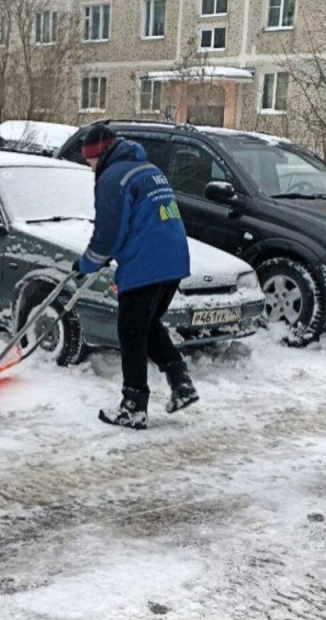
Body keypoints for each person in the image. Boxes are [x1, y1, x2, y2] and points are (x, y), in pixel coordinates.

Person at [72, 125, 198, 430]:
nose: (89, 167)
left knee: (131, 334)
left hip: (146, 263)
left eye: (89, 160)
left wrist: (87, 263)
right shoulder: (148, 168)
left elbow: (109, 232)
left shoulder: (113, 178)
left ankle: (133, 407)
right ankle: (181, 384)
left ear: (98, 154)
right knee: (147, 325)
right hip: (174, 259)